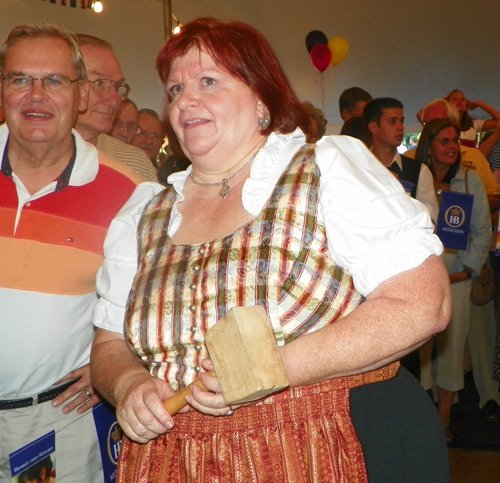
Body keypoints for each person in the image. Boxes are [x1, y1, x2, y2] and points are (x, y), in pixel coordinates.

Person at [91, 18, 451, 483]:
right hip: (173, 461)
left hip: (315, 446)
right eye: (175, 89)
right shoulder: (144, 213)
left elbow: (424, 303)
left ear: (261, 99)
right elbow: (109, 342)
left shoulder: (325, 170)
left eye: (208, 81)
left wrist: (276, 367)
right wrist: (129, 384)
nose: (185, 100)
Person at [0, 22, 142, 482]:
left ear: (81, 96)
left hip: (58, 424)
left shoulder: (130, 193)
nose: (36, 95)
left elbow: (161, 303)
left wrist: (122, 359)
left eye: (55, 80)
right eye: (20, 78)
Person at [416, 119, 491, 441]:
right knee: (420, 353)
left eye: (454, 141)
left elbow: (482, 232)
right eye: (444, 141)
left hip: (457, 278)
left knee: (451, 350)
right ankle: (418, 416)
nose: (451, 147)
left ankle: (443, 421)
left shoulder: (470, 181)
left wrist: (467, 271)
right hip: (418, 278)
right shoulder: (412, 178)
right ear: (428, 145)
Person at [74, 34, 158, 182]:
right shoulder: (28, 156)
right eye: (99, 83)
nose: (114, 101)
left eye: (118, 86)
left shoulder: (136, 165)